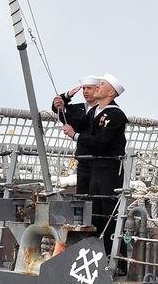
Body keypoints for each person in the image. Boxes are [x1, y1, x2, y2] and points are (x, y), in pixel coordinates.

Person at [62, 73, 128, 253]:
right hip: (96, 170)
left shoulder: (115, 115)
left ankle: (117, 259)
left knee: (109, 216)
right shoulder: (95, 112)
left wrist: (75, 136)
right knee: (95, 214)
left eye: (102, 84)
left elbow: (102, 141)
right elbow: (76, 123)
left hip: (109, 170)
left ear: (111, 92)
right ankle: (96, 256)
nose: (97, 86)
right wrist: (63, 105)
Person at [53, 75, 101, 196]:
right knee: (82, 193)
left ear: (98, 89)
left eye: (89, 88)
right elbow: (57, 107)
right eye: (84, 88)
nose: (85, 92)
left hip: (99, 158)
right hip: (83, 157)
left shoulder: (104, 110)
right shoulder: (77, 108)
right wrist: (67, 96)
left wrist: (74, 134)